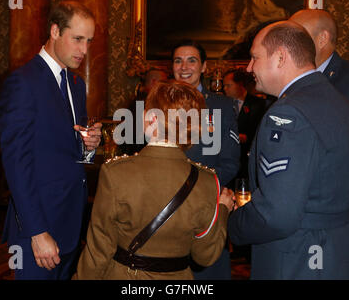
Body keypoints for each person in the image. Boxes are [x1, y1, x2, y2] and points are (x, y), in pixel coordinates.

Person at [73, 80, 234, 280]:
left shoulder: (116, 173)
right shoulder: (208, 181)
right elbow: (205, 256)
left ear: (148, 119)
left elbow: (99, 250)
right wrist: (224, 210)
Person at [228, 20, 349, 279]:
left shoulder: (289, 113)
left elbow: (276, 214)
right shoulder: (337, 99)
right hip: (334, 250)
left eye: (254, 58)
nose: (249, 68)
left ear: (281, 57)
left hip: (297, 258)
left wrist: (229, 222)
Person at [0, 1, 102, 280]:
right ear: (55, 31)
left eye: (89, 41)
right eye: (77, 39)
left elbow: (68, 151)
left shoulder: (76, 84)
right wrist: (37, 232)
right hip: (37, 228)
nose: (84, 50)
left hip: (70, 222)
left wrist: (88, 147)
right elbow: (16, 164)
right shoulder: (23, 82)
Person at [172, 40, 240, 280]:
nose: (184, 66)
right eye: (178, 60)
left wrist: (197, 189)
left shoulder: (221, 106)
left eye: (191, 60)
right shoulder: (156, 104)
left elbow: (230, 162)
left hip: (206, 207)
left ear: (204, 67)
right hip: (164, 209)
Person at [290, 9, 349, 102]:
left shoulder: (348, 81)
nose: (286, 45)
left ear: (322, 39)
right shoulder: (284, 76)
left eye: (297, 37)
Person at [222, 68, 267, 181]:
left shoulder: (259, 104)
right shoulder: (222, 104)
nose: (224, 89)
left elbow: (261, 132)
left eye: (228, 85)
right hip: (227, 160)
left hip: (248, 162)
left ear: (240, 85)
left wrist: (246, 138)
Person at [119, 68, 168, 156]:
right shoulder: (148, 103)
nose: (166, 87)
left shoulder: (135, 101)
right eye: (163, 82)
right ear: (154, 82)